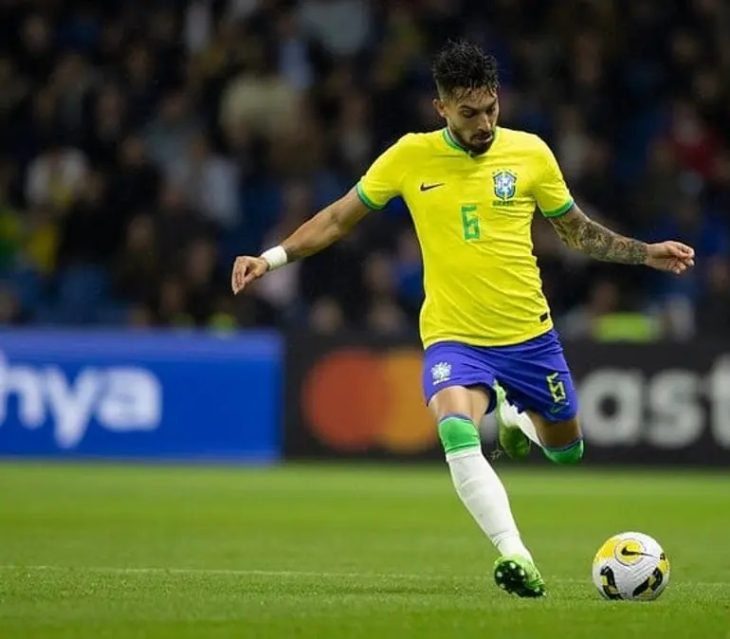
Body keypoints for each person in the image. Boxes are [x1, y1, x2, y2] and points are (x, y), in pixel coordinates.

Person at [231, 41, 695, 597]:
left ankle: (517, 419)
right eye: (469, 113)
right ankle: (515, 553)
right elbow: (337, 219)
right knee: (456, 430)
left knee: (567, 449)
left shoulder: (530, 154)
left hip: (530, 337)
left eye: (491, 110)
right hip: (454, 337)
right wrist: (272, 257)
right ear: (441, 109)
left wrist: (645, 252)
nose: (483, 124)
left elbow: (577, 231)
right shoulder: (409, 156)